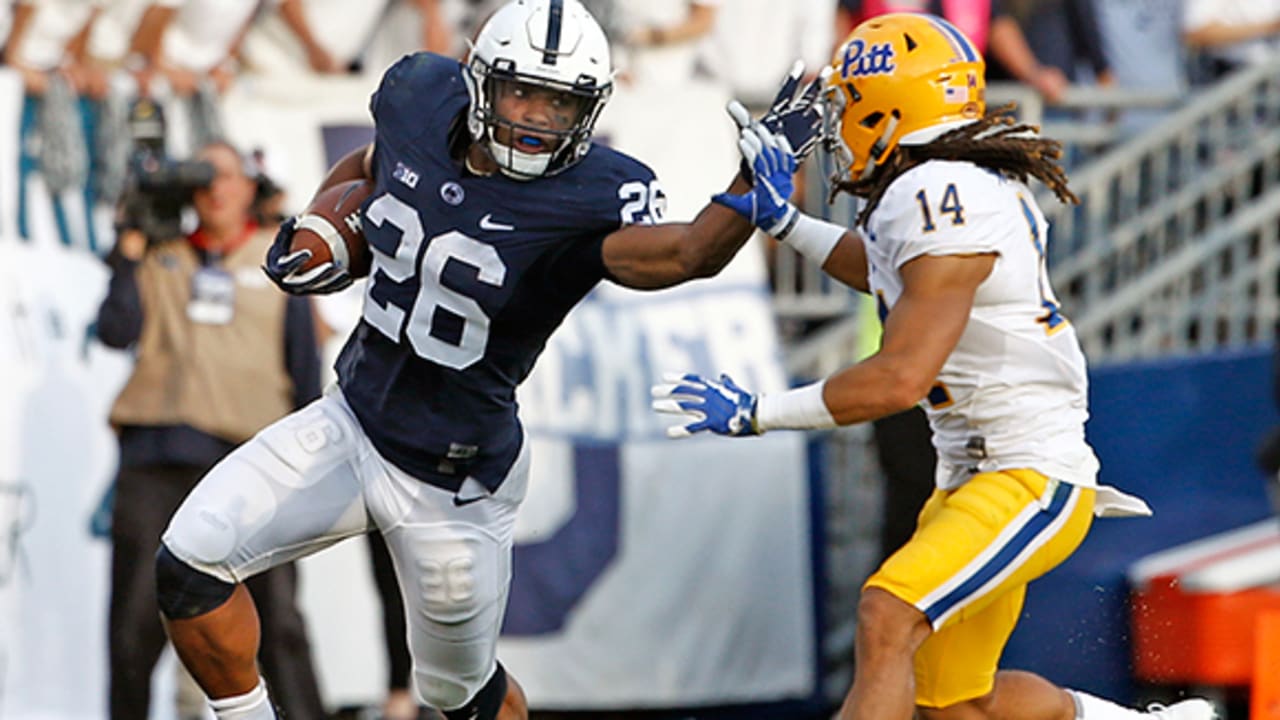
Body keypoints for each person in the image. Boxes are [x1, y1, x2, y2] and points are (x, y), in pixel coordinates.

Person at [150, 1, 824, 719]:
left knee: (458, 696)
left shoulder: (592, 194)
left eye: (561, 103)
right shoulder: (418, 97)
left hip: (453, 478)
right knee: (191, 564)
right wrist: (325, 218)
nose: (537, 118)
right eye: (522, 92)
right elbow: (374, 163)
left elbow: (684, 251)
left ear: (588, 112)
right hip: (351, 422)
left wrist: (749, 193)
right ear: (478, 82)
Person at [652, 13, 1219, 720]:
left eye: (851, 106)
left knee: (885, 614)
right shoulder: (933, 189)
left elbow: (900, 378)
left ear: (893, 110)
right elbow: (890, 274)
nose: (841, 126)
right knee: (959, 707)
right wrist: (787, 223)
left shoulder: (941, 195)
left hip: (1025, 474)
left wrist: (757, 412)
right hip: (978, 475)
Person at [96, 140, 327, 720]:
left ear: (251, 187)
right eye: (201, 179)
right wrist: (129, 241)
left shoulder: (279, 260)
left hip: (252, 465)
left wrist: (313, 472)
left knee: (276, 624)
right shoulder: (158, 253)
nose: (215, 189)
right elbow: (114, 329)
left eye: (226, 177)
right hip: (156, 457)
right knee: (131, 626)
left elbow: (305, 376)